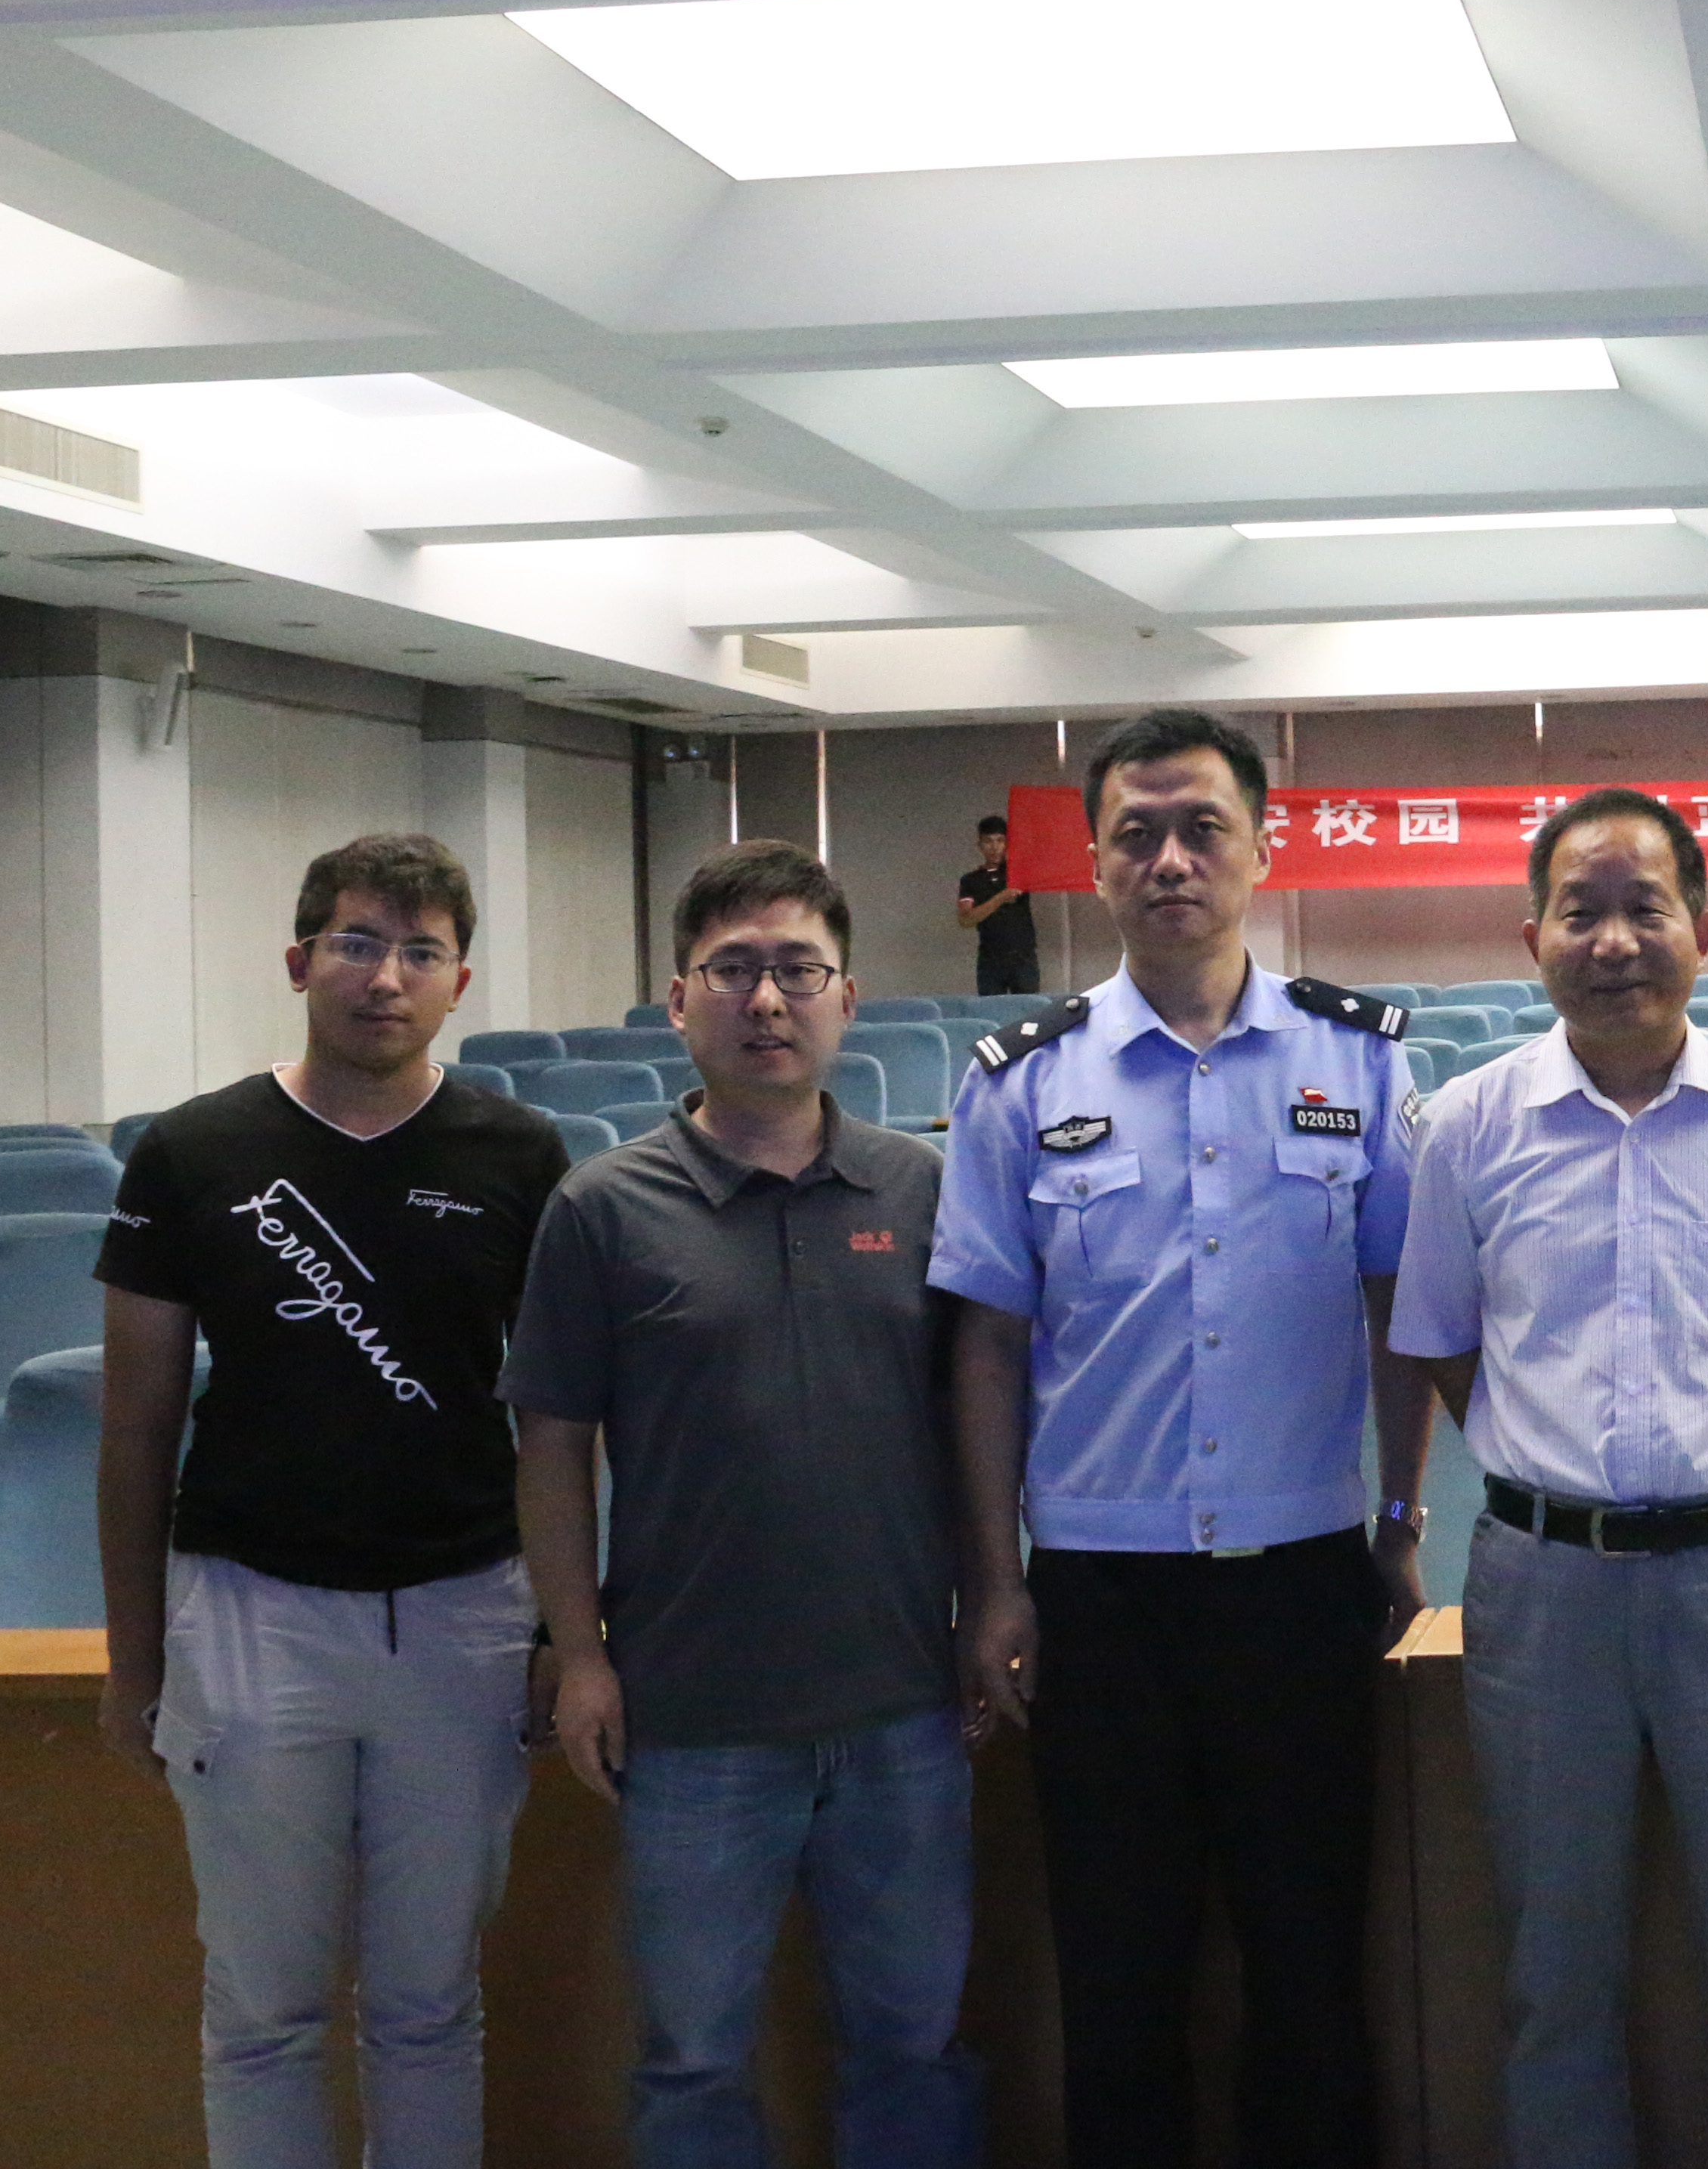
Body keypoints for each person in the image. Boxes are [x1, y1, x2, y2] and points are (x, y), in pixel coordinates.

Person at [933, 709, 1431, 2169]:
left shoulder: (1359, 1059)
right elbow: (987, 1346)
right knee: (1118, 1978)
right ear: (1094, 863)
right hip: (1100, 1600)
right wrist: (996, 1579)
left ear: (1262, 850)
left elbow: (1401, 1307)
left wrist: (1402, 1519)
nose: (1170, 859)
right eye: (1136, 833)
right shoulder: (1023, 1078)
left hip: (1301, 1584)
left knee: (1309, 1971)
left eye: (1203, 827)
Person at [1389, 787, 1708, 2169]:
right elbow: (1444, 1342)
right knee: (1553, 1971)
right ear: (1532, 938)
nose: (1614, 942)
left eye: (1645, 908)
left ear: (1703, 932)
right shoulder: (1469, 1124)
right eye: (1580, 912)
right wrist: (1554, 1474)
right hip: (1540, 1589)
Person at [91, 831, 572, 2169]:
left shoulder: (519, 1153)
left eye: (421, 951)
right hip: (251, 1614)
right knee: (261, 2013)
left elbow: (560, 1422)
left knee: (428, 2004)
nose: (386, 977)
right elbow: (135, 1430)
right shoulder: (193, 1151)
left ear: (460, 980)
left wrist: (564, 1629)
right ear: (300, 960)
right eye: (357, 943)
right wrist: (136, 1658)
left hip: (467, 1615)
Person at [503, 840, 976, 2168]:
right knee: (693, 2062)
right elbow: (551, 1447)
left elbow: (979, 1423)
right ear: (678, 999)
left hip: (900, 1709)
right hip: (694, 1722)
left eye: (798, 970)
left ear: (847, 998)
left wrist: (995, 1600)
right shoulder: (603, 1208)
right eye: (733, 970)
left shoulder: (922, 1189)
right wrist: (581, 1654)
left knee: (915, 2046)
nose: (767, 999)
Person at [958, 815, 1040, 998]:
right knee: (992, 1009)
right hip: (991, 958)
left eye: (1000, 841)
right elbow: (966, 920)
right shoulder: (971, 880)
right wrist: (1001, 898)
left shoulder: (1019, 872)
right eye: (988, 841)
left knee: (1028, 1008)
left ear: (1008, 844)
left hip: (1023, 956)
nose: (995, 847)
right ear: (980, 845)